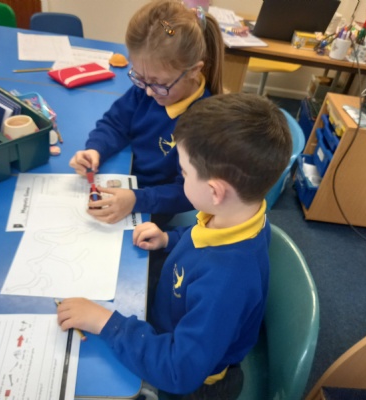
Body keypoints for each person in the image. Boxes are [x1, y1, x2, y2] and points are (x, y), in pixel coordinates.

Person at [56, 93, 292, 399]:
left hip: (193, 381)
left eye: (184, 173)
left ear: (215, 192)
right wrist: (169, 239)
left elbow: (179, 371)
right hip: (178, 320)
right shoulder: (240, 217)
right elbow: (201, 239)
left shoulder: (226, 281)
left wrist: (105, 323)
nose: (181, 178)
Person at [69, 0, 224, 225]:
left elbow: (189, 193)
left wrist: (137, 199)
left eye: (159, 83)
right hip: (128, 182)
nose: (149, 92)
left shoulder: (205, 124)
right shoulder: (148, 88)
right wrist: (95, 148)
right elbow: (115, 123)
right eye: (140, 78)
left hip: (156, 205)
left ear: (193, 71)